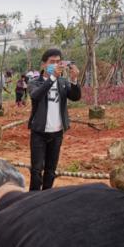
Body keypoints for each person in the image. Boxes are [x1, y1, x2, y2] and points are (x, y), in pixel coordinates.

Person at [27, 49, 81, 191]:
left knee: (51, 171)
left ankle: (46, 197)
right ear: (44, 64)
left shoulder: (62, 82)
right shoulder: (34, 83)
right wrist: (51, 78)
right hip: (39, 132)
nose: (56, 65)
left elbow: (75, 97)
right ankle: (33, 198)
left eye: (58, 62)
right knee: (36, 170)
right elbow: (36, 96)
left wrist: (74, 80)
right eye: (52, 62)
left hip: (57, 133)